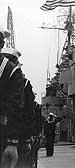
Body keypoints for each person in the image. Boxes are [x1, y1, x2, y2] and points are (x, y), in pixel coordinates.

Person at [0, 29, 24, 168]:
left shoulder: (11, 71)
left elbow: (18, 107)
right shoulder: (12, 71)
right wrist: (12, 142)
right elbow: (17, 106)